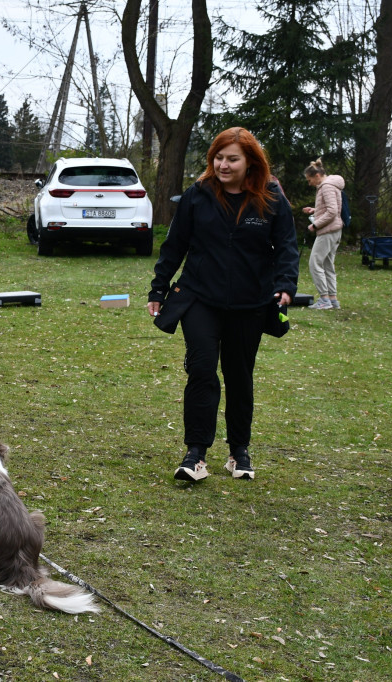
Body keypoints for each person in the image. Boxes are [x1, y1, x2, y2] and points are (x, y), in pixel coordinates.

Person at [147, 127, 299, 482]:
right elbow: (174, 246)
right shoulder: (197, 196)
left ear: (250, 162)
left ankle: (238, 451)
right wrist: (158, 289)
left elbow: (288, 247)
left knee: (238, 374)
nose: (223, 165)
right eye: (218, 157)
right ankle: (195, 454)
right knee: (201, 368)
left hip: (251, 302)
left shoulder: (271, 198)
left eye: (232, 159)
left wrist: (285, 286)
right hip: (200, 296)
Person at [302, 158, 345, 310]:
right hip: (335, 230)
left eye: (309, 180)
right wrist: (315, 210)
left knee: (315, 263)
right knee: (327, 264)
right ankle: (332, 299)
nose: (309, 183)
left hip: (328, 230)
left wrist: (315, 224)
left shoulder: (326, 187)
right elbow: (331, 207)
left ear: (317, 176)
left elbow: (333, 211)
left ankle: (324, 299)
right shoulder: (331, 185)